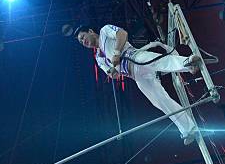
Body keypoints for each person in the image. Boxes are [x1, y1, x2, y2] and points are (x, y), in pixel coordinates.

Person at [74, 24, 202, 145]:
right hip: (136, 76)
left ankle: (186, 62)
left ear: (90, 31)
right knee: (160, 101)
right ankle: (188, 129)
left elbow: (122, 34)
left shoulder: (105, 31)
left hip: (134, 57)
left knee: (158, 62)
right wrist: (112, 72)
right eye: (81, 42)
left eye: (83, 37)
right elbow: (114, 74)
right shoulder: (98, 57)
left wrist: (117, 53)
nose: (83, 42)